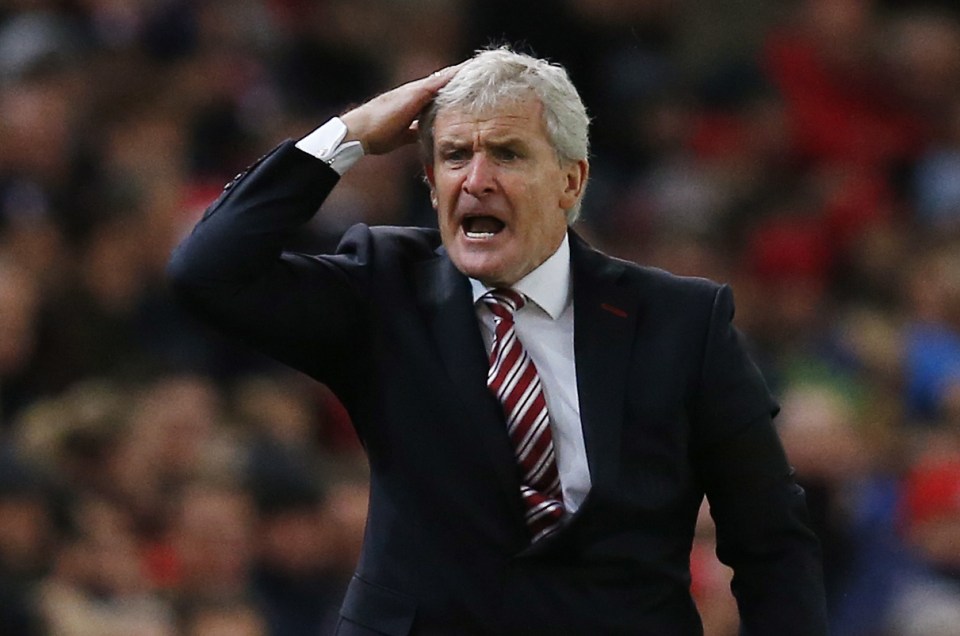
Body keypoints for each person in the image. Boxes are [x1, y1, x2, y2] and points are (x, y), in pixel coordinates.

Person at [168, 47, 828, 635]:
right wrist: (349, 134)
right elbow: (208, 272)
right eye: (454, 156)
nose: (475, 180)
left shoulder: (681, 321)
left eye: (508, 154)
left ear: (572, 181)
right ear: (430, 183)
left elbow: (771, 538)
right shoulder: (382, 289)